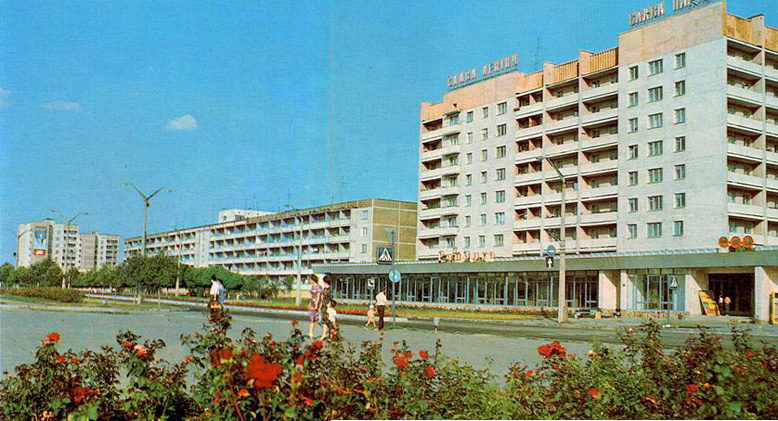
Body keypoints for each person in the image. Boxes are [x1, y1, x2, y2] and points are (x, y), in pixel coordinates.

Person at [319, 275, 334, 341]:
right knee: (324, 321)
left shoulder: (329, 290)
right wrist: (320, 305)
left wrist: (329, 306)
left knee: (329, 321)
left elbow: (331, 299)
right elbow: (322, 298)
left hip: (327, 307)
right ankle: (324, 334)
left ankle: (332, 335)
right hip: (323, 307)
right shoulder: (324, 289)